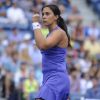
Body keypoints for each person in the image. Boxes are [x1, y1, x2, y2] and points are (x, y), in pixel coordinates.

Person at [32, 4, 71, 100]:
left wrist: (35, 24)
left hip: (57, 78)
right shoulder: (50, 35)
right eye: (43, 14)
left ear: (56, 17)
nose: (44, 16)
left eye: (47, 14)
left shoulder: (59, 32)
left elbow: (42, 45)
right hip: (48, 78)